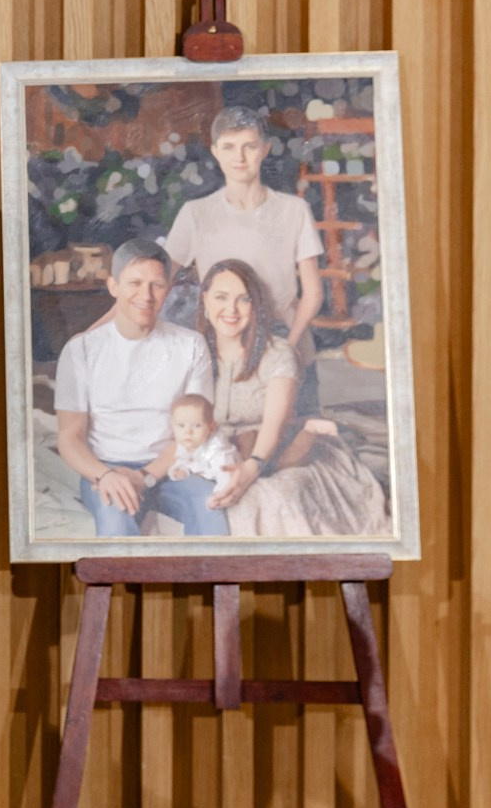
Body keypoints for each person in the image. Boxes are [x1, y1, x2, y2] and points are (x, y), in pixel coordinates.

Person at [197, 258, 390, 537]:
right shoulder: (192, 353)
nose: (231, 309)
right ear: (205, 300)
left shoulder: (277, 354)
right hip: (218, 454)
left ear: (256, 305)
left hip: (279, 449)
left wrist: (251, 469)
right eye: (221, 297)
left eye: (243, 299)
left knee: (274, 495)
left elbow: (274, 426)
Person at [52, 238, 228, 537]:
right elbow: (70, 436)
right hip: (106, 467)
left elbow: (196, 432)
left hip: (171, 467)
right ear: (113, 286)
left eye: (156, 285)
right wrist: (105, 475)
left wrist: (146, 476)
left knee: (209, 505)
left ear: (168, 289)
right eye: (134, 283)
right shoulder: (81, 349)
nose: (145, 296)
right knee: (115, 524)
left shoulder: (191, 345)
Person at [164, 104, 324, 401]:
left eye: (249, 146)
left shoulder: (294, 210)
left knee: (298, 426)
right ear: (215, 151)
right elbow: (159, 280)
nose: (239, 157)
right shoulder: (196, 213)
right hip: (224, 346)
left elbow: (313, 293)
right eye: (229, 147)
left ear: (265, 149)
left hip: (285, 336)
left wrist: (287, 350)